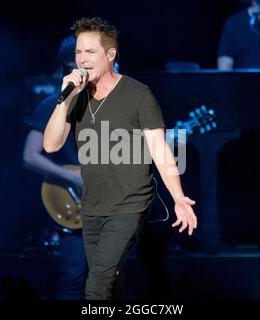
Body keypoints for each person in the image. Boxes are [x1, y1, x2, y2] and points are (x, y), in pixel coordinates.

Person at [43, 17, 198, 300]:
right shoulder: (76, 97)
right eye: (78, 52)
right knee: (112, 285)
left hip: (129, 205)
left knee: (96, 286)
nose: (82, 59)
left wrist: (179, 199)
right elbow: (51, 145)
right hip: (91, 207)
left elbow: (160, 151)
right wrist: (64, 99)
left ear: (110, 54)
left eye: (90, 52)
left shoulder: (138, 95)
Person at [23, 34, 88, 300]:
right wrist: (73, 178)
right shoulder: (52, 105)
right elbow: (30, 156)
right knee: (73, 278)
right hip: (76, 204)